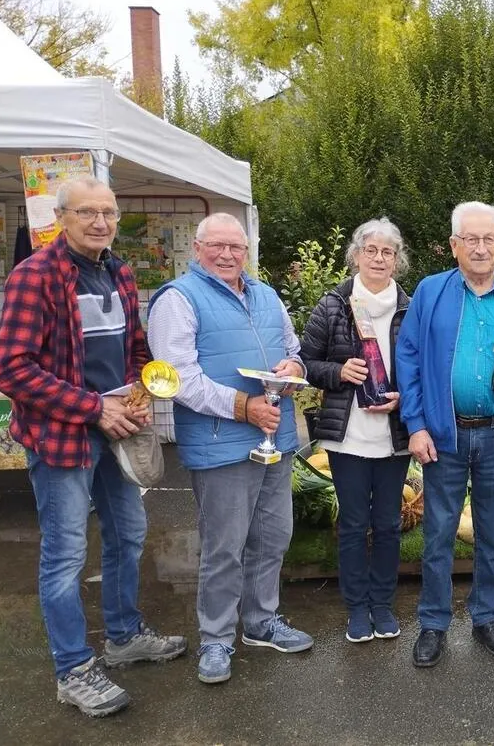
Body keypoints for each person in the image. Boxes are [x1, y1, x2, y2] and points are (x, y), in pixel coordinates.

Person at [0, 177, 186, 718]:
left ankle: (123, 637)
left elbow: (135, 346)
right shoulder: (35, 276)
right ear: (61, 218)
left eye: (109, 213)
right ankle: (73, 669)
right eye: (87, 212)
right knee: (65, 554)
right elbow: (10, 369)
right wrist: (94, 407)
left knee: (129, 534)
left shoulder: (119, 271)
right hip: (63, 438)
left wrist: (139, 392)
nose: (101, 222)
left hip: (118, 430)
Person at [148, 212, 313, 685]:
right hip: (220, 443)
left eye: (235, 247)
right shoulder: (178, 299)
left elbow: (293, 348)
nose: (227, 255)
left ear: (246, 251)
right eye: (216, 246)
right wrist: (244, 408)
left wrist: (294, 367)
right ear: (197, 249)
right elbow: (179, 378)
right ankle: (216, 638)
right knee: (225, 547)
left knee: (273, 537)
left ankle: (261, 622)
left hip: (274, 438)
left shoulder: (265, 295)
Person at [396, 201, 494, 668]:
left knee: (493, 534)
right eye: (471, 239)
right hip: (444, 435)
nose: (480, 248)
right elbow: (408, 358)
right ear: (454, 245)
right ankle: (433, 624)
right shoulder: (431, 292)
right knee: (439, 534)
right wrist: (416, 425)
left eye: (489, 239)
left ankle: (487, 618)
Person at [299, 217, 412, 643]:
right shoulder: (333, 305)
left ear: (396, 260)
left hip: (394, 436)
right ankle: (356, 609)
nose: (379, 258)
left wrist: (404, 398)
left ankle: (382, 604)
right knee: (352, 524)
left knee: (387, 524)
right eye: (371, 250)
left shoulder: (410, 307)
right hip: (347, 437)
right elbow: (305, 363)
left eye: (387, 252)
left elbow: (423, 366)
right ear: (356, 255)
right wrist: (338, 371)